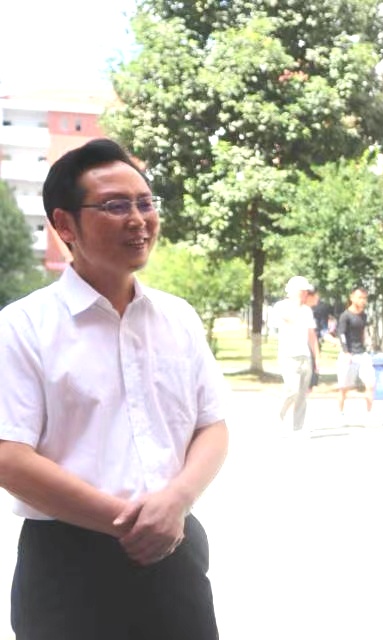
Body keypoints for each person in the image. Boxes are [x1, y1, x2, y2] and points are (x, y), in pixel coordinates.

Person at [0, 138, 229, 639]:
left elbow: (212, 425)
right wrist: (130, 523)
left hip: (175, 549)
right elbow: (9, 457)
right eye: (115, 206)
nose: (138, 219)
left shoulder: (178, 318)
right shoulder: (22, 327)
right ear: (65, 226)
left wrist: (176, 501)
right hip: (67, 563)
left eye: (145, 202)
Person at [272, 276, 321, 432]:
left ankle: (298, 428)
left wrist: (317, 357)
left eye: (306, 291)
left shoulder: (307, 310)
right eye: (302, 291)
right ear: (292, 291)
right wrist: (296, 304)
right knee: (292, 389)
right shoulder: (281, 306)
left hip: (305, 355)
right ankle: (279, 417)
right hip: (288, 355)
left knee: (302, 394)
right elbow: (287, 320)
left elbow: (311, 335)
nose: (305, 294)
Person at [336, 287, 375, 421]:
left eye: (364, 298)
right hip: (348, 354)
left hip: (362, 354)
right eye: (360, 297)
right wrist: (346, 352)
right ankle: (340, 413)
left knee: (370, 384)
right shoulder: (345, 316)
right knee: (344, 387)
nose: (362, 300)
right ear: (352, 298)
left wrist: (367, 344)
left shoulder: (364, 315)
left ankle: (369, 414)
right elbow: (341, 334)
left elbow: (362, 332)